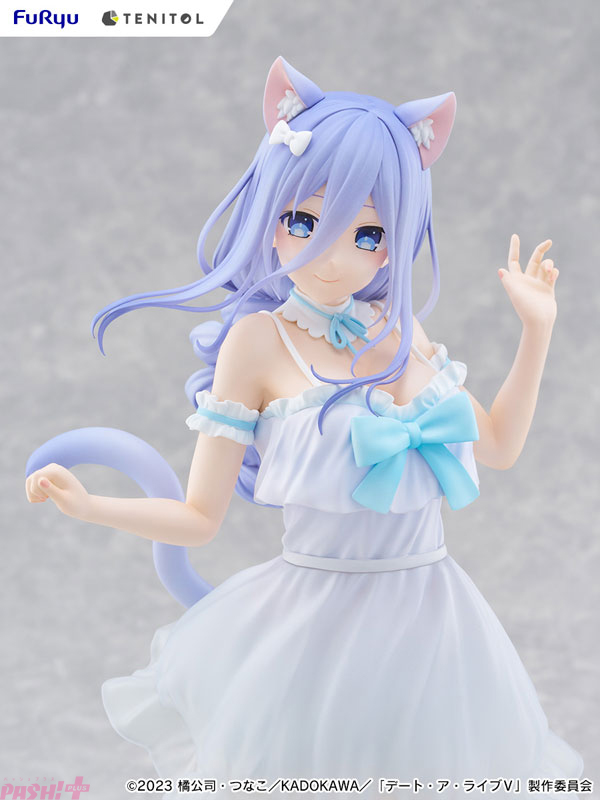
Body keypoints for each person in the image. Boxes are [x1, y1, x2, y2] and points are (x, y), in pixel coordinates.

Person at [25, 57, 584, 799]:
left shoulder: (403, 332)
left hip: (434, 623)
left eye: (369, 233)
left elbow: (501, 447)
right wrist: (93, 505)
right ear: (273, 215)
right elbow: (198, 518)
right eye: (304, 222)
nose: (333, 255)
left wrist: (536, 332)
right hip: (315, 626)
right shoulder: (259, 343)